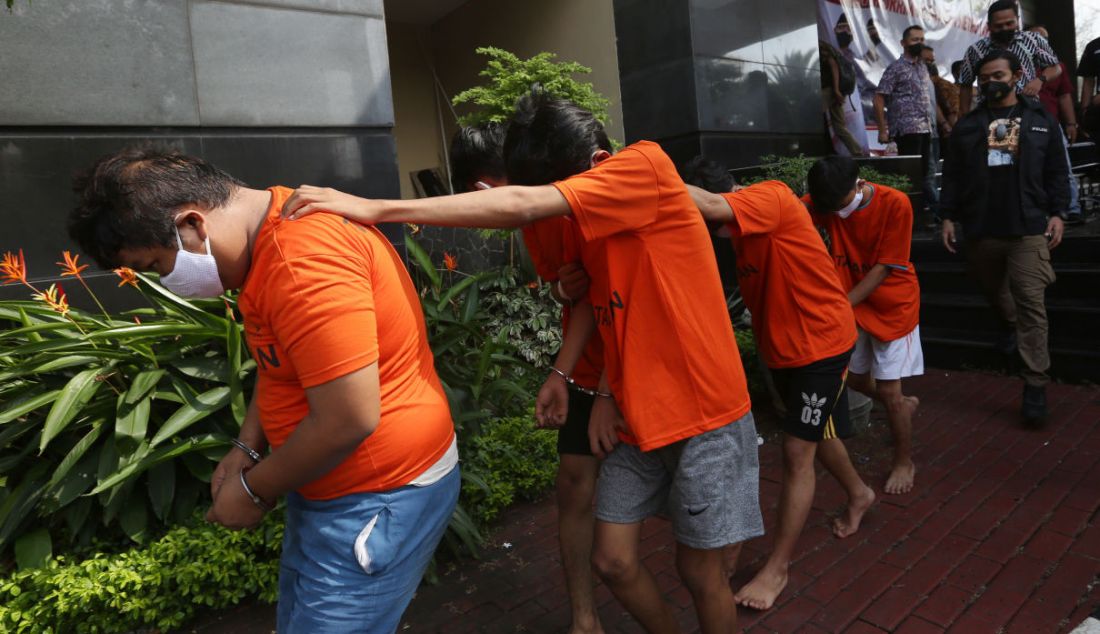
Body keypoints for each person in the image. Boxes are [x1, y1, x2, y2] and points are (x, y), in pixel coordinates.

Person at [283, 89, 764, 634]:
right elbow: (611, 308)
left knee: (701, 572)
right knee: (613, 559)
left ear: (596, 168)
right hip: (638, 414)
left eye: (553, 193)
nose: (547, 209)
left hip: (703, 415)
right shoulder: (602, 224)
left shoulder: (642, 164)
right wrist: (579, 378)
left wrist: (373, 207)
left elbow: (523, 206)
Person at [68, 147, 460, 633]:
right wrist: (246, 446)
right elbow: (281, 366)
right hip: (334, 487)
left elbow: (348, 418)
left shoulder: (302, 263)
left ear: (192, 224)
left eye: (155, 264)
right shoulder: (267, 234)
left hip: (377, 492)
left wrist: (252, 491)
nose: (166, 281)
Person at [682, 158, 876, 612]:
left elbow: (710, 202)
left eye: (709, 220)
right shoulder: (736, 237)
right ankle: (860, 493)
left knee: (796, 450)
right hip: (787, 352)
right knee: (813, 431)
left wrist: (644, 179)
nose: (709, 228)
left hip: (822, 347)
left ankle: (778, 567)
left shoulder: (768, 196)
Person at [450, 123, 606, 634]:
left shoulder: (587, 195)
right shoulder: (537, 222)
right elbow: (572, 293)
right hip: (585, 371)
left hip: (638, 371)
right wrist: (563, 292)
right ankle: (583, 617)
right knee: (573, 487)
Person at [940, 50, 1068, 427]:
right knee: (995, 291)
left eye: (998, 75)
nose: (990, 82)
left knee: (1031, 303)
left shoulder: (1040, 120)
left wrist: (1059, 212)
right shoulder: (967, 126)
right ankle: (1009, 325)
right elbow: (954, 177)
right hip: (981, 228)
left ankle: (1034, 385)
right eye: (984, 77)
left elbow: (1057, 171)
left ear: (1016, 76)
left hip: (1028, 228)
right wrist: (947, 216)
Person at [806, 156, 923, 496]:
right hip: (854, 304)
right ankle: (902, 404)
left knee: (888, 390)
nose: (833, 213)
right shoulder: (825, 197)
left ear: (857, 184)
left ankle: (904, 461)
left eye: (839, 205)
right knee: (857, 380)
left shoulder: (894, 204)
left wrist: (840, 306)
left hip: (892, 306)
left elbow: (885, 268)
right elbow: (787, 208)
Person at [955, 0, 1061, 116]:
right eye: (998, 26)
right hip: (988, 112)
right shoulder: (975, 50)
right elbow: (965, 84)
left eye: (1009, 23)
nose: (1005, 28)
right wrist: (964, 115)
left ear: (1017, 20)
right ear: (989, 26)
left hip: (1027, 110)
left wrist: (1040, 80)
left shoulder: (1033, 40)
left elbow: (1056, 68)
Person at [875, 26, 935, 207]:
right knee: (911, 176)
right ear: (903, 43)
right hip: (906, 130)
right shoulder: (896, 68)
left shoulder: (923, 67)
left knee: (926, 174)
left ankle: (926, 211)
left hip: (925, 128)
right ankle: (911, 212)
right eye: (915, 39)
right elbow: (879, 98)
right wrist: (882, 130)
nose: (919, 43)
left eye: (922, 39)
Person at [821, 33, 866, 156]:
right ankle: (857, 151)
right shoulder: (830, 48)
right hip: (837, 91)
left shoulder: (822, 47)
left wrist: (836, 90)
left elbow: (833, 66)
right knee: (839, 126)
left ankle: (856, 151)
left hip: (830, 90)